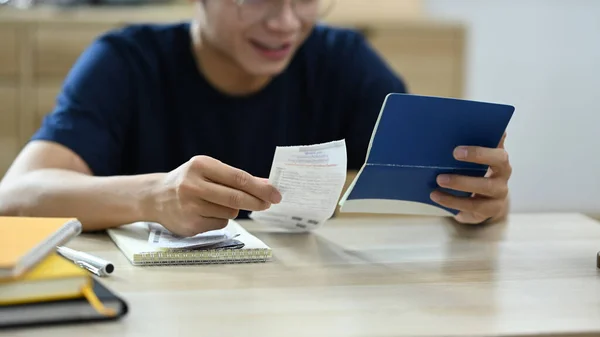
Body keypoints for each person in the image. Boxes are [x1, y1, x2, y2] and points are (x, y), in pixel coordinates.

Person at [0, 0, 511, 237]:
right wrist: (152, 197)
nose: (286, 22)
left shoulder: (344, 59)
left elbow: (422, 194)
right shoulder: (126, 61)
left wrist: (474, 201)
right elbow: (16, 196)